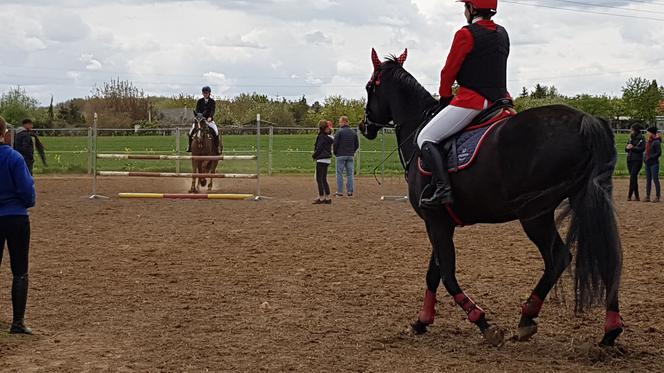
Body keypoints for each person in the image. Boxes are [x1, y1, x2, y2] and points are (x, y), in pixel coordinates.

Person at [416, 0, 510, 208]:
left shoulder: (465, 34)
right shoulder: (503, 33)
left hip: (473, 101)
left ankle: (443, 189)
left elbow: (448, 71)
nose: (464, 10)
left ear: (472, 8)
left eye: (465, 5)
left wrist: (445, 97)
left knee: (425, 137)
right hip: (501, 102)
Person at [0, 116, 35, 334]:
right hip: (15, 217)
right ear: (4, 132)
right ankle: (18, 322)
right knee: (19, 270)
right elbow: (27, 192)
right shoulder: (14, 158)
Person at [187, 86, 220, 153]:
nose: (205, 94)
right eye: (204, 93)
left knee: (216, 132)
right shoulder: (199, 101)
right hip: (200, 120)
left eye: (206, 93)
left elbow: (212, 110)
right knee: (190, 132)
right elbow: (197, 110)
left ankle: (217, 147)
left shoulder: (212, 101)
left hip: (209, 120)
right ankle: (189, 146)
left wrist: (210, 117)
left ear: (209, 93)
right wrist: (199, 117)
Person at [333, 116, 359, 197]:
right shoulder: (353, 132)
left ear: (344, 122)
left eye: (340, 122)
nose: (339, 123)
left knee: (339, 173)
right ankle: (350, 191)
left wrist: (335, 152)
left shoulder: (339, 132)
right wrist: (352, 151)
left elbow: (335, 144)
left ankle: (340, 191)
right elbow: (356, 145)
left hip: (340, 155)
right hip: (350, 155)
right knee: (350, 174)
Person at [312, 120, 334, 204]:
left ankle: (321, 197)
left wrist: (314, 155)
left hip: (321, 159)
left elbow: (319, 148)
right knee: (324, 179)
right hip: (327, 159)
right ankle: (328, 197)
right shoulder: (329, 138)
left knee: (319, 179)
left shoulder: (321, 137)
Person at [625, 124, 646, 201]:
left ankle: (629, 195)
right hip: (629, 160)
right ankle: (637, 196)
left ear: (635, 130)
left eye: (632, 129)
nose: (631, 131)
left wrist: (632, 148)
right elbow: (626, 149)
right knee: (634, 178)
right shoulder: (630, 138)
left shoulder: (642, 138)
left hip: (637, 160)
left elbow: (642, 149)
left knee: (632, 177)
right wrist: (627, 147)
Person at [644, 126, 661, 202]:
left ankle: (657, 196)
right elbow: (646, 151)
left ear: (652, 133)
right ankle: (647, 196)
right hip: (647, 163)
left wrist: (650, 157)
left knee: (655, 179)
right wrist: (645, 158)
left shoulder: (656, 142)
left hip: (654, 163)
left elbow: (658, 153)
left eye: (648, 132)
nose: (647, 133)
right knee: (648, 180)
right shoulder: (649, 141)